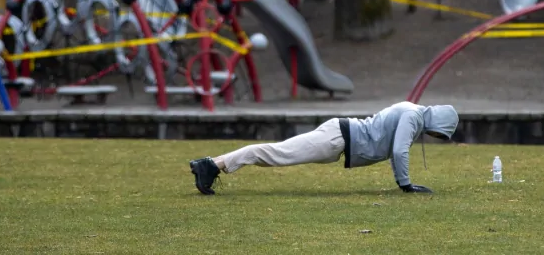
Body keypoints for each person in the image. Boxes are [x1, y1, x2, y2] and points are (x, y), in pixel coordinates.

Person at [189, 101, 459, 195]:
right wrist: (406, 185)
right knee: (275, 153)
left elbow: (394, 147)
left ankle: (211, 164)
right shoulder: (413, 117)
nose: (436, 136)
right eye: (441, 133)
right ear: (440, 122)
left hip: (339, 138)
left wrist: (404, 182)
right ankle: (211, 165)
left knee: (275, 154)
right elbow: (399, 151)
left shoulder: (412, 112)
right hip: (337, 138)